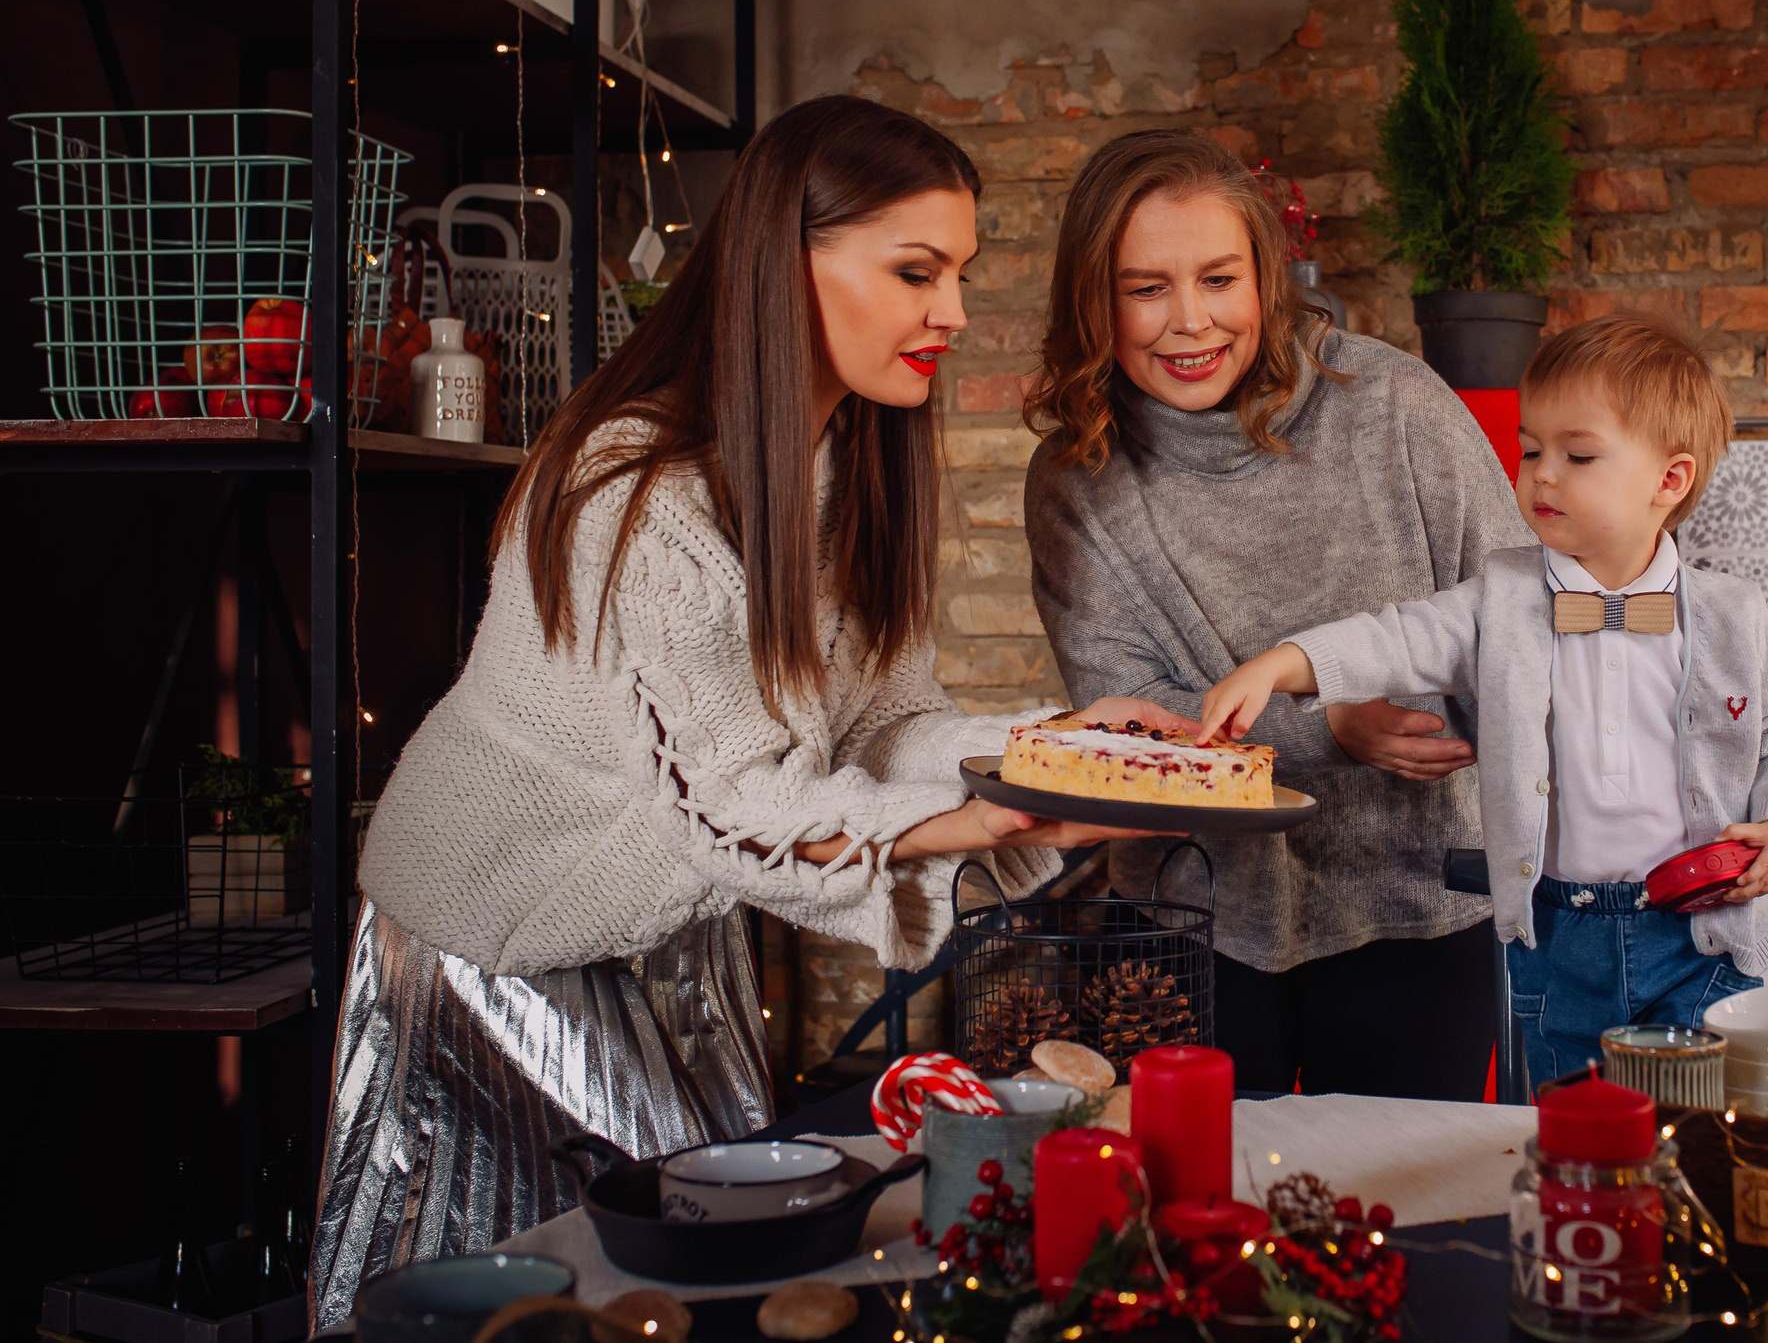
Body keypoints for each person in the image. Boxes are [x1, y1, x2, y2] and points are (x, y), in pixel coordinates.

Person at [309, 96, 1175, 1325]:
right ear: (788, 261)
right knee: (551, 1309)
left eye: (960, 274)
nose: (955, 313)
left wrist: (1053, 753)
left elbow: (882, 726)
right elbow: (722, 803)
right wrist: (983, 822)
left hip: (669, 936)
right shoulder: (634, 487)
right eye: (917, 271)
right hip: (499, 951)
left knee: (718, 1286)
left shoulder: (847, 468)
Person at [1023, 130, 1523, 1100]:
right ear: (1094, 300)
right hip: (1191, 921)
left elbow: (1510, 614)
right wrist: (1327, 725)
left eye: (1218, 280)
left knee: (1408, 1221)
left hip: (1415, 903)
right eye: (1144, 288)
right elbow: (1128, 715)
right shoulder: (1077, 478)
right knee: (1199, 1225)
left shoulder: (1394, 406)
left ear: (1267, 279)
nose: (1189, 322)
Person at [1198, 313, 1768, 1090]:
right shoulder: (1505, 597)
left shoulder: (1735, 613)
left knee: (1699, 1139)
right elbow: (1398, 636)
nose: (1542, 474)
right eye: (1531, 450)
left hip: (1705, 934)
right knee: (1571, 1133)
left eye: (1578, 454)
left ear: (1671, 479)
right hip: (1560, 937)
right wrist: (1283, 664)